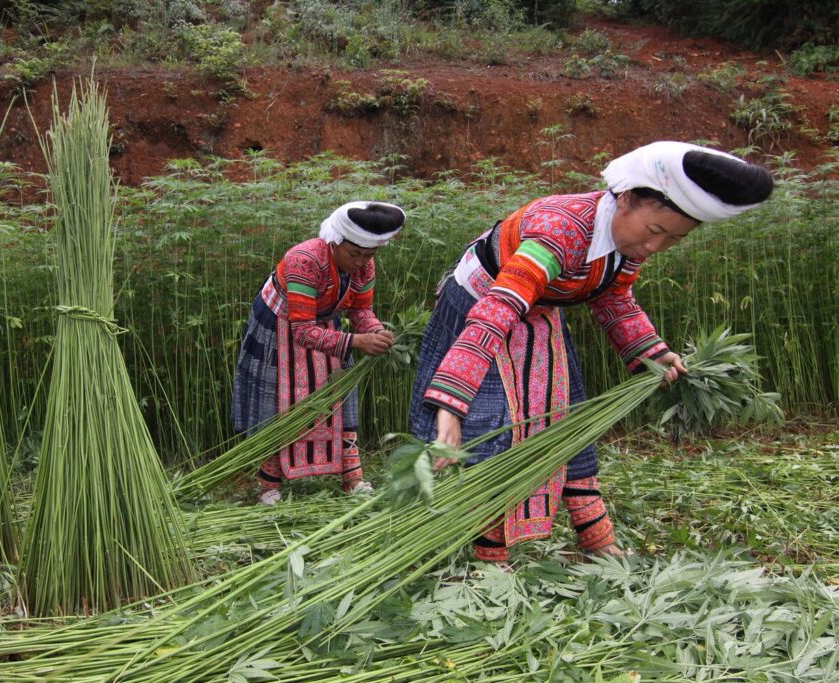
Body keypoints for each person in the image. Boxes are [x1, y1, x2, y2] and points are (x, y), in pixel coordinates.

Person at [410, 141, 773, 563]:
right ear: (626, 200)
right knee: (495, 429)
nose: (656, 247)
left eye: (674, 239)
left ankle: (596, 540)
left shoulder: (627, 248)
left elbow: (614, 298)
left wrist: (654, 353)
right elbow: (496, 313)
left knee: (563, 416)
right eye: (655, 232)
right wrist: (452, 405)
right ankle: (491, 555)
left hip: (540, 313)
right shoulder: (559, 230)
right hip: (480, 307)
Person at [232, 201, 406, 505]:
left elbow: (361, 308)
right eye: (355, 254)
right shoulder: (305, 260)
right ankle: (268, 486)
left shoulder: (364, 264)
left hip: (326, 322)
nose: (361, 262)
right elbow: (302, 332)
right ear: (336, 242)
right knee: (278, 403)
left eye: (370, 255)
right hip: (280, 323)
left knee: (338, 395)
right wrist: (357, 341)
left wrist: (376, 331)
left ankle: (353, 479)